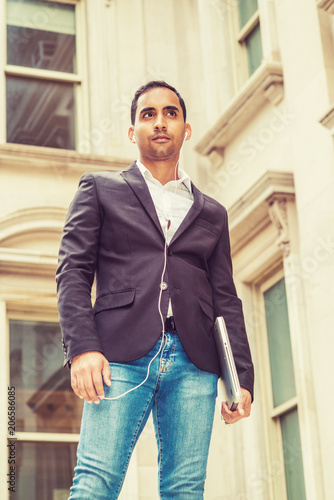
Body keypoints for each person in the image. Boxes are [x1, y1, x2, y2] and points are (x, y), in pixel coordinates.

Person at [56, 80, 254, 500]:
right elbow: (73, 272)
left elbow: (226, 299)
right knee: (95, 482)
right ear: (133, 131)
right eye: (148, 114)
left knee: (185, 490)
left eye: (170, 113)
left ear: (186, 129)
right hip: (117, 356)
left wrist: (240, 378)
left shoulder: (213, 213)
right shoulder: (99, 189)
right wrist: (82, 348)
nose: (160, 122)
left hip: (194, 362)